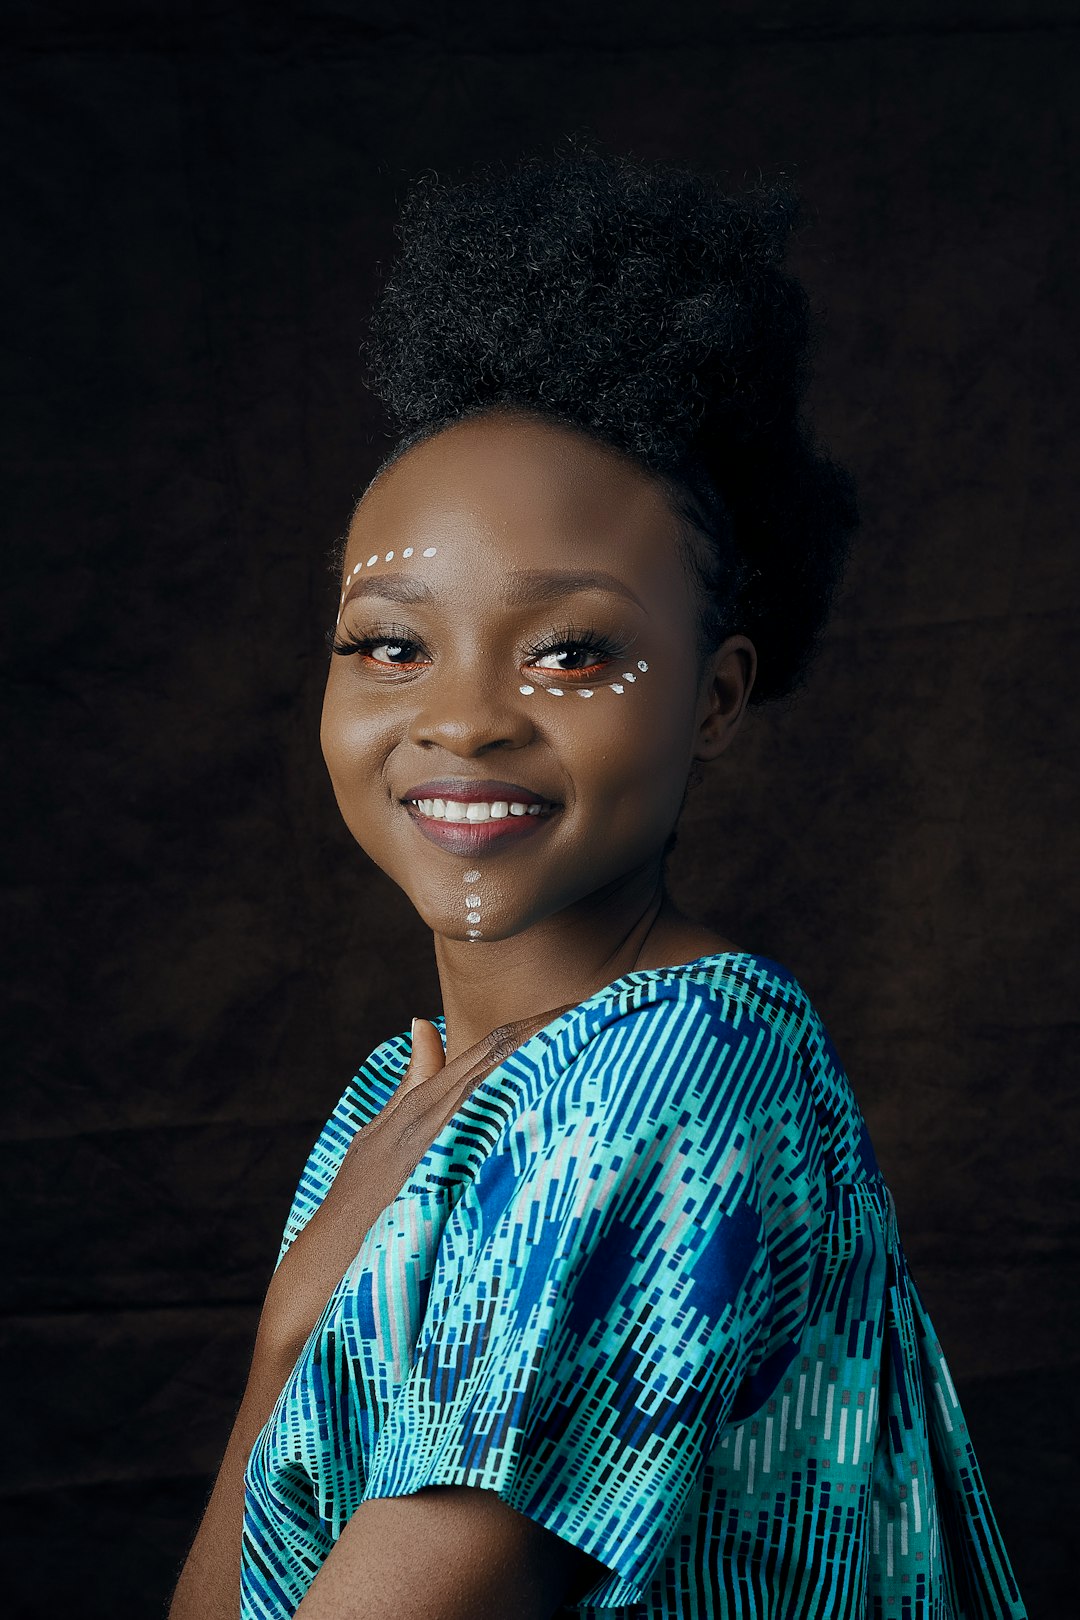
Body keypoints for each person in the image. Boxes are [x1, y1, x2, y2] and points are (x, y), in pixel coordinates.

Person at [168, 139, 1027, 1620]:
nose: (463, 716)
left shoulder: (682, 1072)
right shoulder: (398, 1105)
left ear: (713, 695)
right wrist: (279, 1352)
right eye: (391, 641)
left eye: (571, 650)